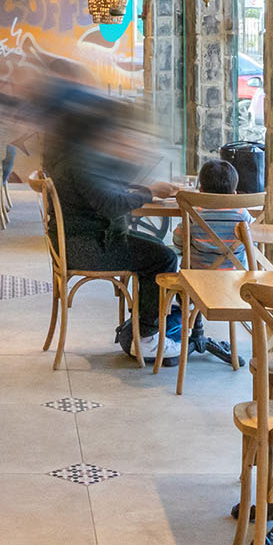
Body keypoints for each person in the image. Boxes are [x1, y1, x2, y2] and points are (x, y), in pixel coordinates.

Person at [42, 100, 181, 364]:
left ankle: (143, 322)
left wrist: (144, 187)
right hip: (87, 247)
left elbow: (107, 187)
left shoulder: (73, 158)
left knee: (154, 246)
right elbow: (111, 204)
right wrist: (148, 193)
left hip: (80, 242)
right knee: (163, 258)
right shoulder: (81, 163)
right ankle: (146, 338)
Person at [185, 159, 250, 270]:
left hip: (198, 277)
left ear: (201, 190)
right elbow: (253, 241)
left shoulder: (194, 214)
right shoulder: (242, 214)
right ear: (234, 194)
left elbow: (179, 240)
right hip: (236, 277)